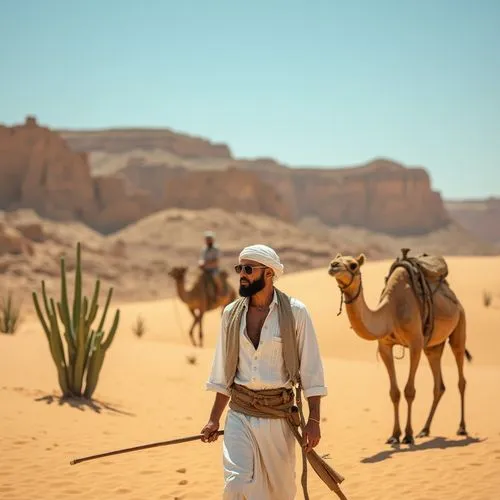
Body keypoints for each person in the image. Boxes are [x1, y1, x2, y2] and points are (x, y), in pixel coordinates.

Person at [200, 244, 330, 500]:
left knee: (279, 493)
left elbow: (312, 370)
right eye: (240, 269)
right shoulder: (230, 314)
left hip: (279, 418)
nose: (242, 275)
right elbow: (221, 373)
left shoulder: (296, 313)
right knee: (237, 486)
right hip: (240, 414)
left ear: (269, 273)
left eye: (248, 269)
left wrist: (313, 420)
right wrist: (214, 418)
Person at [198, 230, 223, 302]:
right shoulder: (204, 249)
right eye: (207, 239)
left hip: (214, 269)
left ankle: (219, 292)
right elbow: (201, 259)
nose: (208, 241)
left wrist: (206, 263)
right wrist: (201, 263)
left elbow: (216, 261)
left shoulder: (216, 249)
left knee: (215, 277)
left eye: (209, 239)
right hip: (205, 269)